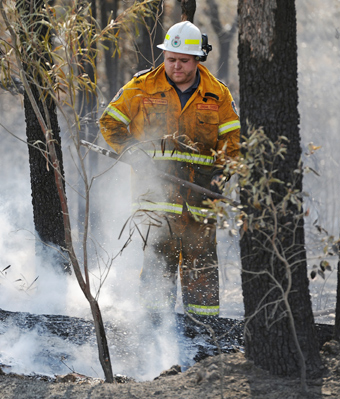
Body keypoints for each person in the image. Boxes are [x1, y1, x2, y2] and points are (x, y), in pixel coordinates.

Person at [99, 21, 240, 319]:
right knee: (156, 270)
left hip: (200, 204)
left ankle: (203, 336)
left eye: (183, 60)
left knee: (201, 271)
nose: (176, 66)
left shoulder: (217, 95)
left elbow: (233, 143)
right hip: (154, 201)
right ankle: (154, 336)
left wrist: (220, 177)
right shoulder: (141, 86)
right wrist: (133, 152)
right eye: (171, 58)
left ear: (198, 59)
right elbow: (109, 123)